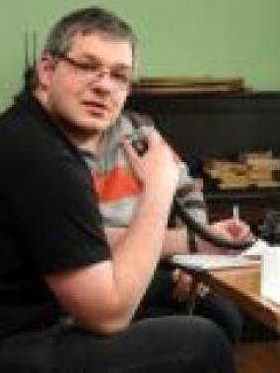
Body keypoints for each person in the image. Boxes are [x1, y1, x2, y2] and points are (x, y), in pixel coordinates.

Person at [0, 6, 251, 372]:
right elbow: (108, 315)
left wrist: (197, 241)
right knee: (202, 343)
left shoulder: (30, 131)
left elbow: (83, 240)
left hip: (32, 317)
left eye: (120, 75)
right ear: (47, 70)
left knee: (215, 311)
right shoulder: (43, 158)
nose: (104, 86)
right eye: (87, 66)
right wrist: (158, 188)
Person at [80, 109, 244, 344]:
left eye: (119, 85)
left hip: (157, 261)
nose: (105, 91)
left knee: (224, 317)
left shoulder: (139, 128)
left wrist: (192, 261)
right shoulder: (51, 147)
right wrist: (193, 243)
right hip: (95, 273)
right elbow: (85, 238)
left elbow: (187, 191)